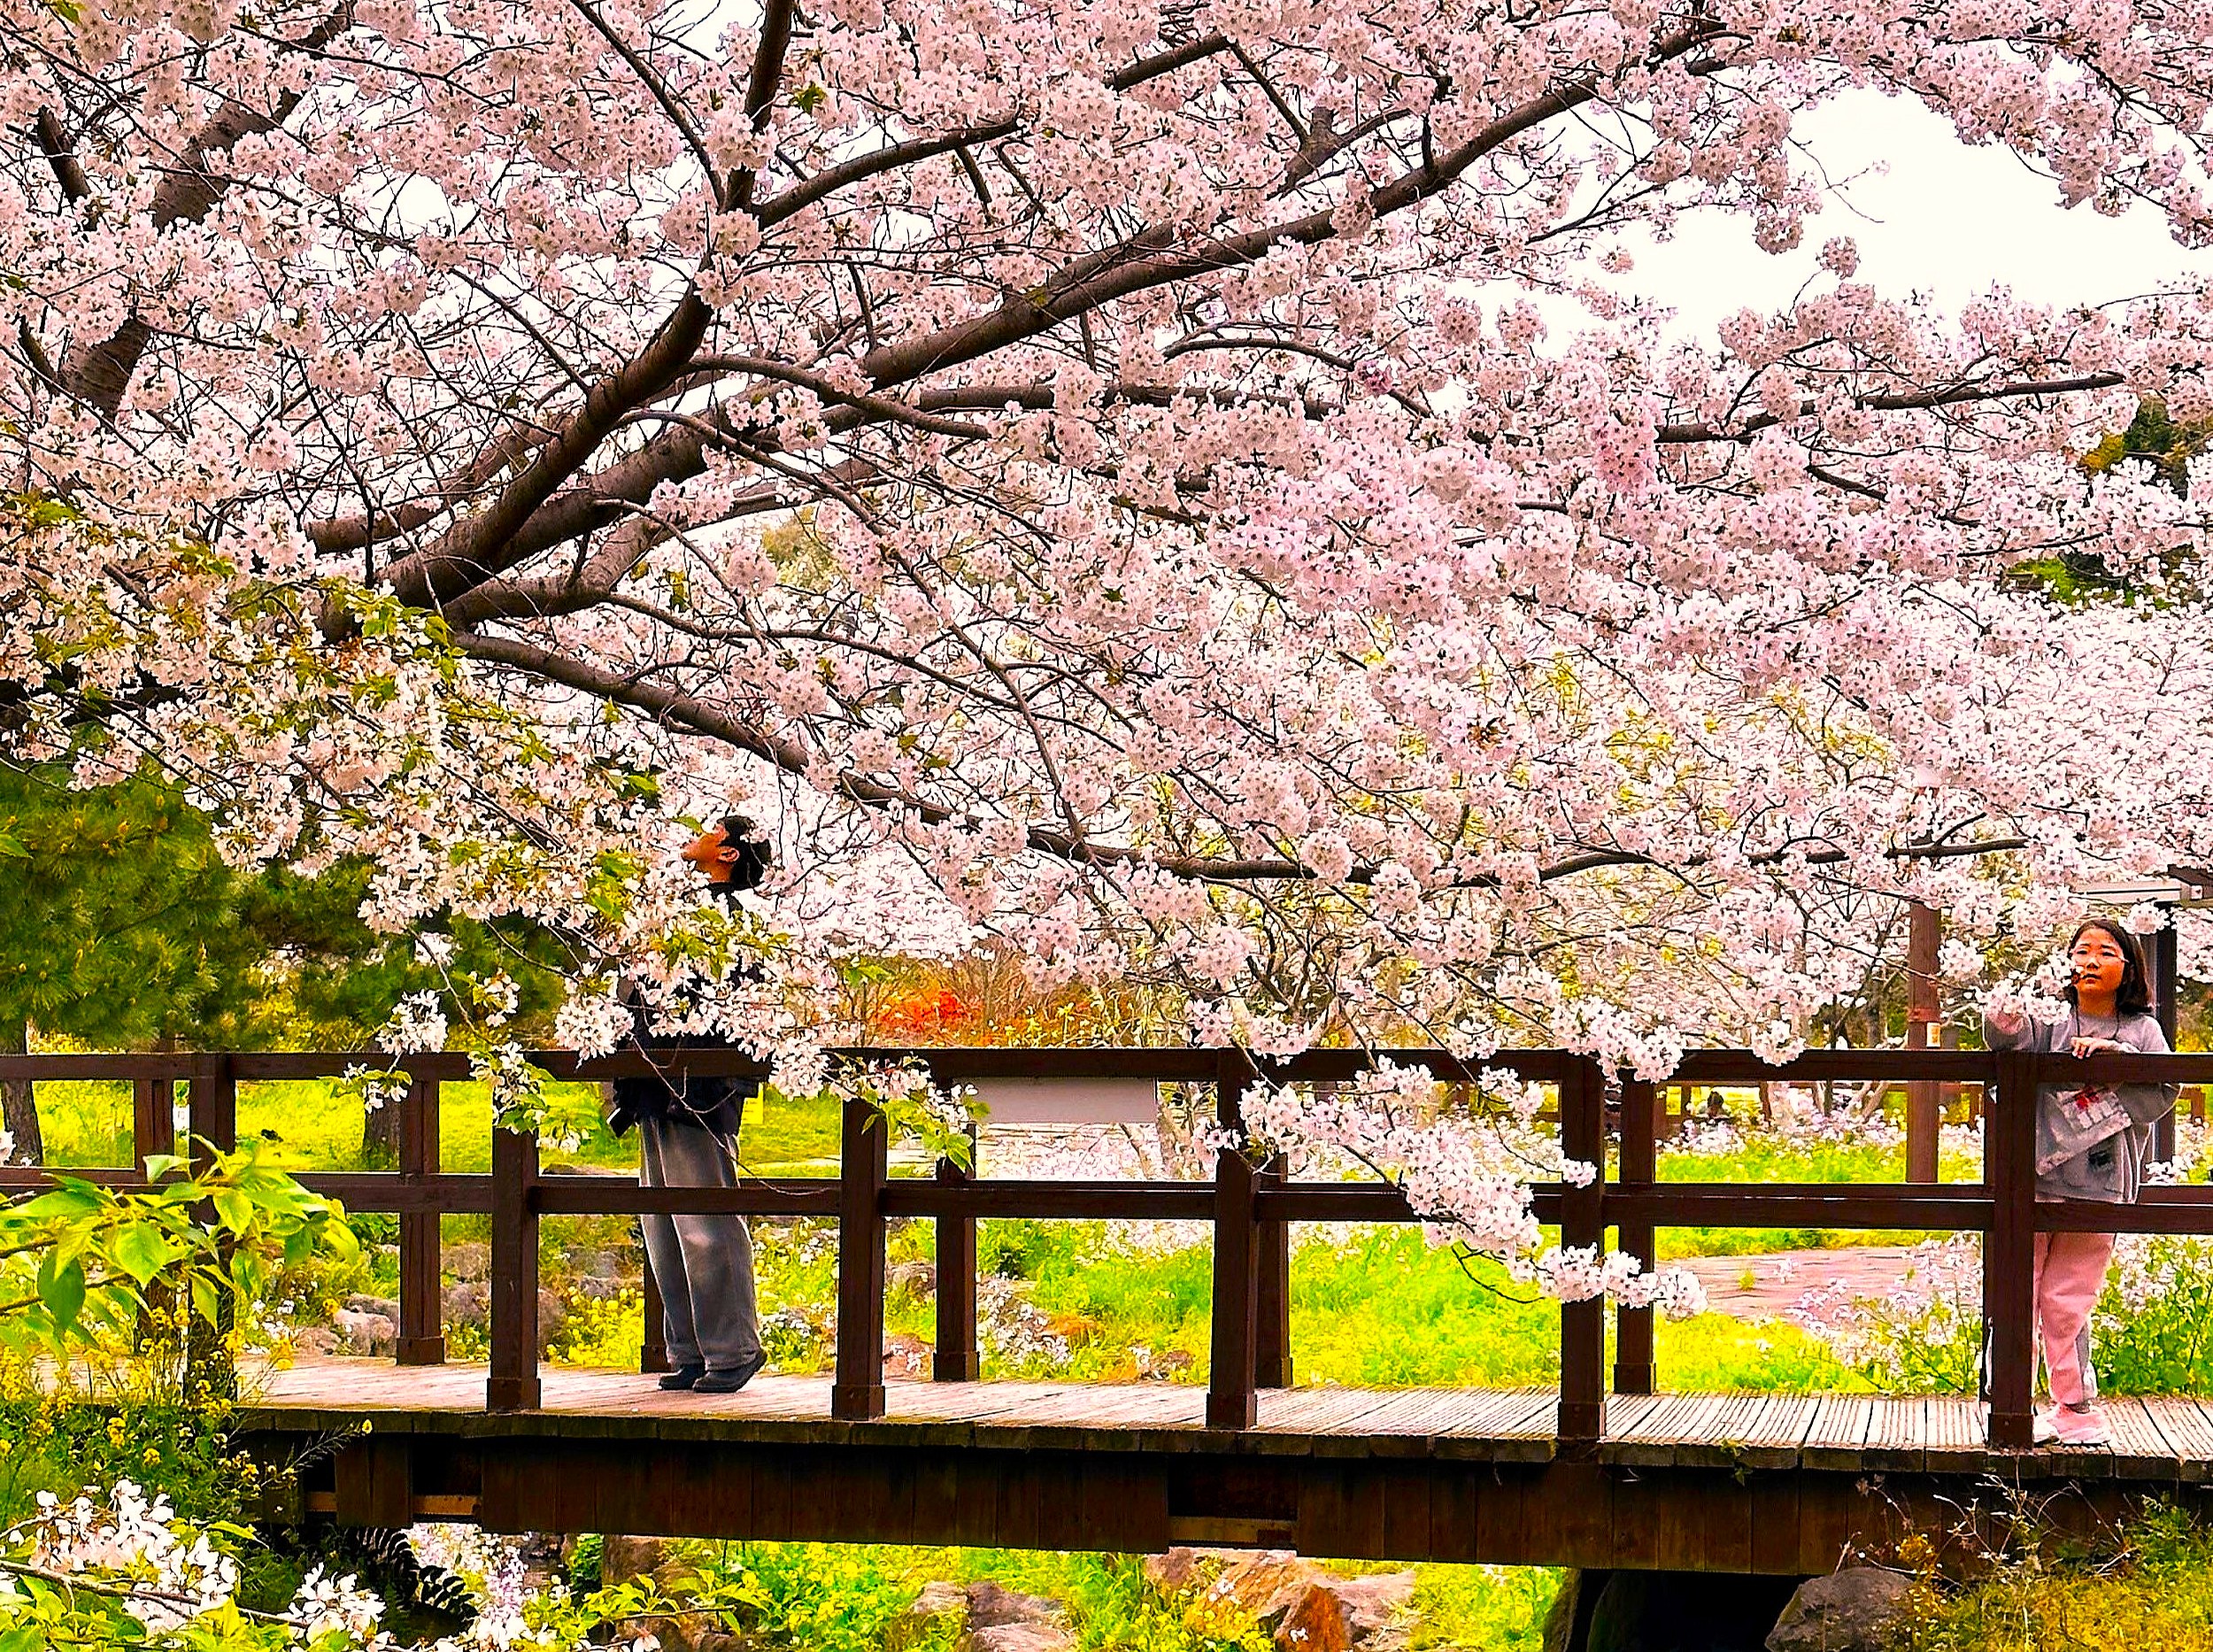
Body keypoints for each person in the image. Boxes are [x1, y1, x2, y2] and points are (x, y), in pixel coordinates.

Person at [1984, 917, 2178, 1446]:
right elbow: (2010, 1043)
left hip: (2099, 1180)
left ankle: (2074, 1408)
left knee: (2068, 1299)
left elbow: (2162, 1089)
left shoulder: (2144, 1030)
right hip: (2035, 1174)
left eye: (2106, 952)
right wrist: (2003, 1012)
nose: (2090, 961)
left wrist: (2124, 1061)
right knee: (2018, 1290)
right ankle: (2012, 1405)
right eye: (2081, 951)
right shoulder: (2051, 1018)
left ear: (2128, 968)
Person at [606, 814, 772, 1394]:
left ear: (728, 854)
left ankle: (732, 1350)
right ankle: (694, 1350)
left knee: (704, 1215)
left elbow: (735, 1009)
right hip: (654, 1080)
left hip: (700, 1086)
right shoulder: (680, 912)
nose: (694, 835)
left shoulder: (737, 921)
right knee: (663, 1219)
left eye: (710, 831)